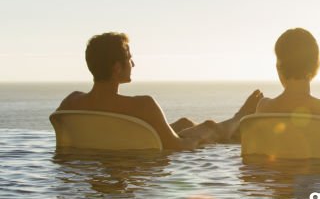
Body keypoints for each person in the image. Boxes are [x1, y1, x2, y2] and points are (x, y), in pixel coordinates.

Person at [57, 32, 261, 150]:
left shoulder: (70, 102)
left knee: (184, 122)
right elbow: (177, 148)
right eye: (129, 59)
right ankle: (238, 119)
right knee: (208, 127)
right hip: (145, 158)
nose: (133, 64)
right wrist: (198, 138)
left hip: (108, 149)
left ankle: (227, 125)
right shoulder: (143, 105)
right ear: (117, 68)